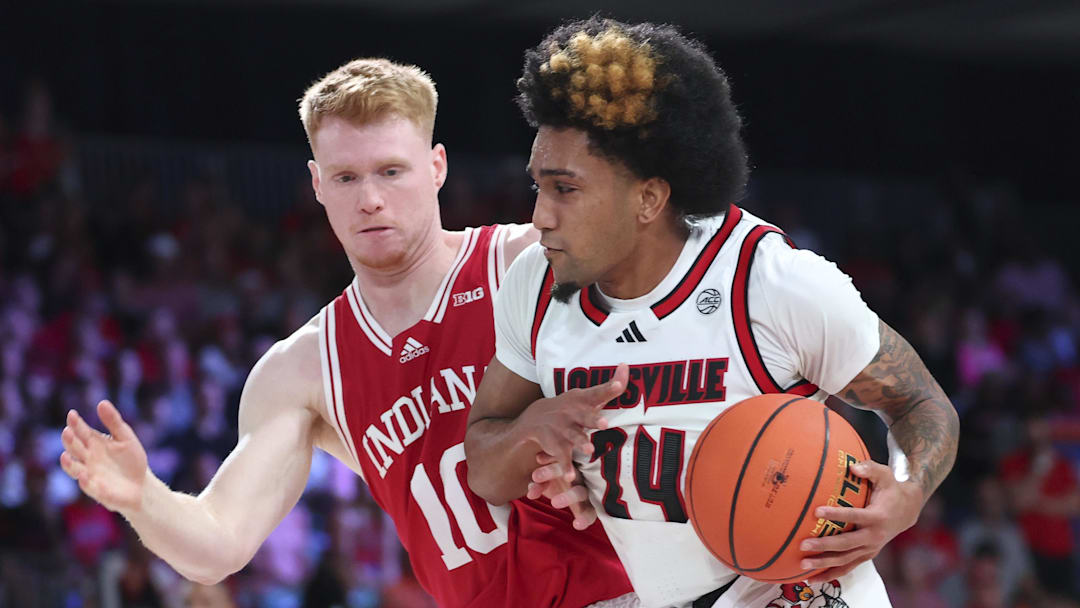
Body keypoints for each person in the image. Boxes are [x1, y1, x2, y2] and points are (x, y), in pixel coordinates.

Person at [58, 58, 633, 607]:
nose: (371, 200)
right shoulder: (305, 368)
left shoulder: (526, 261)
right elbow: (219, 546)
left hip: (627, 588)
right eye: (346, 177)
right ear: (317, 183)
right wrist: (143, 498)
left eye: (391, 171)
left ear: (437, 167)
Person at [464, 17, 960, 608]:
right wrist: (532, 427)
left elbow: (921, 403)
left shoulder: (769, 281)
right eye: (538, 188)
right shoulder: (535, 284)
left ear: (649, 197)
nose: (540, 216)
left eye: (564, 189)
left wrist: (906, 493)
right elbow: (484, 468)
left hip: (800, 593)